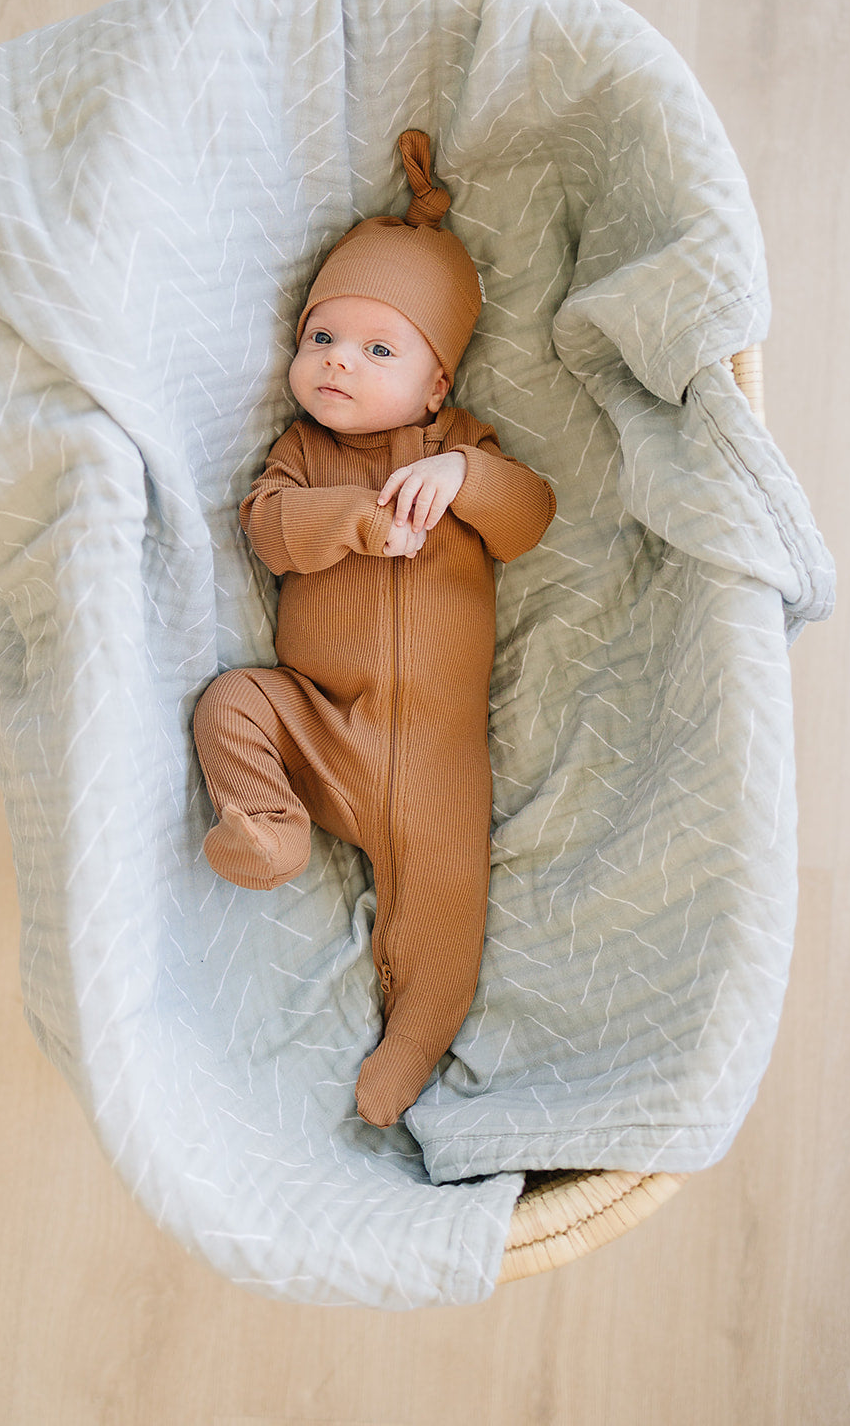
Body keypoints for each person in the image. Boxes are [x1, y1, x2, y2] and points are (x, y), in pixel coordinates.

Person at [194, 130, 556, 1127]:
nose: (336, 363)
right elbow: (266, 532)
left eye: (376, 348)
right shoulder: (302, 454)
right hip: (318, 721)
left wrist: (462, 480)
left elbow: (531, 517)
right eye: (320, 339)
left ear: (437, 383)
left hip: (434, 750)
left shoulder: (463, 448)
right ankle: (267, 826)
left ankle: (411, 1043)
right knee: (231, 701)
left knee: (445, 905)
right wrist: (346, 519)